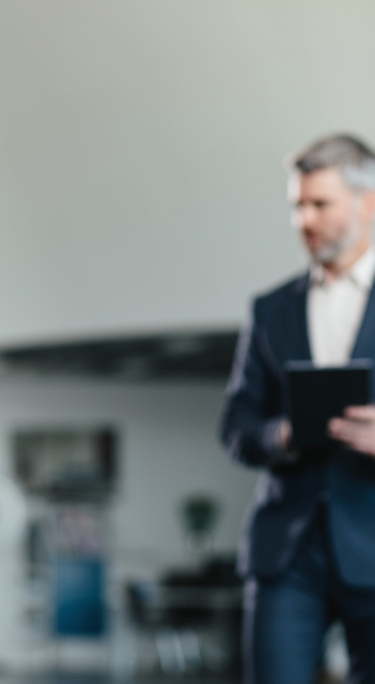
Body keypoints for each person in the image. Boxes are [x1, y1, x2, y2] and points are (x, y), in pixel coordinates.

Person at [221, 133, 375, 684]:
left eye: (319, 204)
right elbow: (236, 428)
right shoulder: (269, 310)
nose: (303, 221)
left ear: (368, 202)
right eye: (297, 206)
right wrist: (284, 434)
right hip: (288, 553)